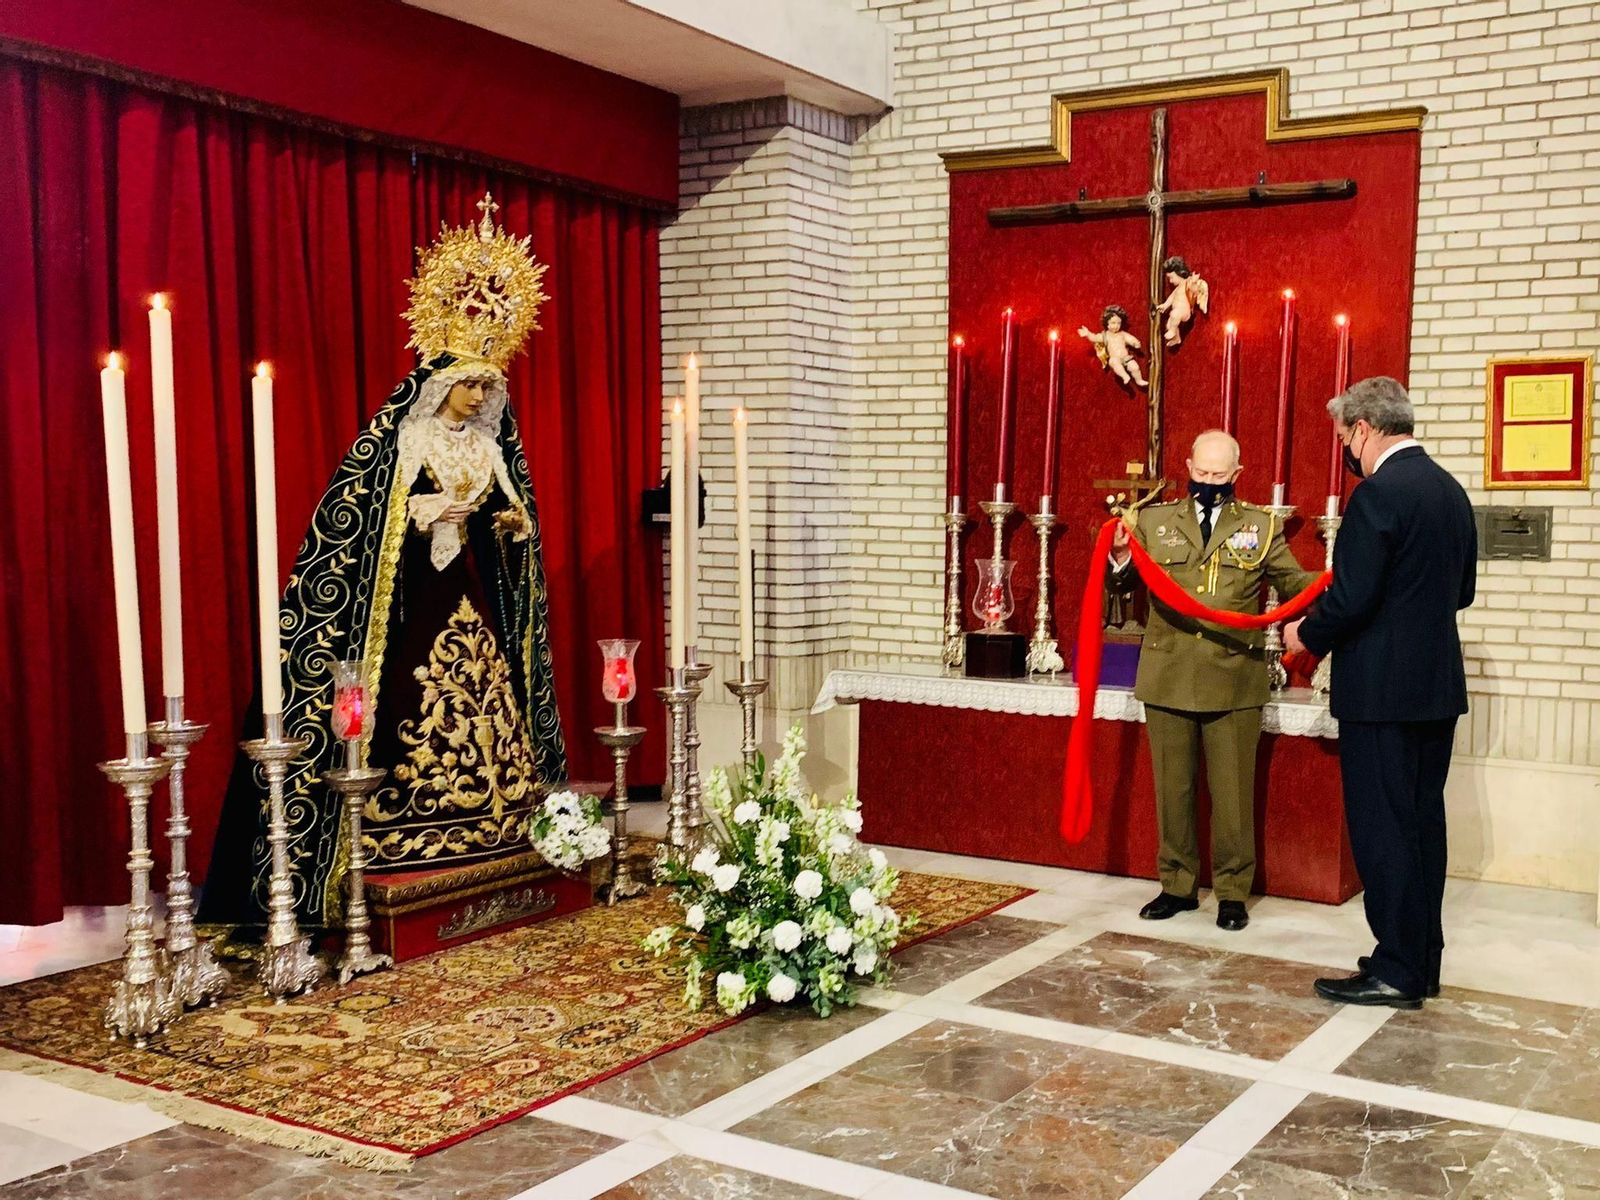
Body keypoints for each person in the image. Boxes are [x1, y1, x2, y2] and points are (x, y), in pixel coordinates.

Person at [201, 194, 568, 933]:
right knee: (408, 696)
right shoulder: (403, 442)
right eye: (471, 382)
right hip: (410, 602)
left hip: (467, 590)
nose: (480, 394)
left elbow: (509, 509)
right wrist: (425, 512)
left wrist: (514, 522)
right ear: (441, 381)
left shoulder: (491, 446)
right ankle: (388, 836)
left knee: (485, 694)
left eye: (488, 385)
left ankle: (497, 821)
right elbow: (371, 519)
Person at [1285, 376, 1476, 1009]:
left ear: (1364, 429)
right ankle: (1420, 958)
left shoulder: (1377, 495)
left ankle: (1395, 969)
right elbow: (1463, 593)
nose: (1346, 446)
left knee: (1383, 829)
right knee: (1422, 823)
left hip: (1381, 693)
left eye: (1345, 435)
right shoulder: (1449, 491)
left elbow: (1354, 596)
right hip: (1436, 688)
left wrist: (1304, 634)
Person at [1111, 430, 1321, 930]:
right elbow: (1119, 583)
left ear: (1237, 473)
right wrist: (1120, 554)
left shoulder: (1260, 526)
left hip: (1232, 676)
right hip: (1169, 673)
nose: (1208, 482)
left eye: (1219, 475)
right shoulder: (1154, 521)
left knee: (1232, 796)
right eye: (1201, 473)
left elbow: (1294, 583)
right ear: (1187, 466)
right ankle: (1177, 885)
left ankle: (1231, 892)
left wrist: (1345, 578)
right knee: (1174, 790)